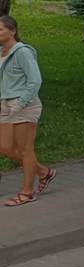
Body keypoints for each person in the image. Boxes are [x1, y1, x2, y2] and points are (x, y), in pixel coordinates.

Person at [0, 15, 55, 205]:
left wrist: (21, 102)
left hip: (24, 104)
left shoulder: (22, 52)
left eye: (0, 30)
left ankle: (27, 192)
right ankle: (43, 172)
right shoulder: (1, 52)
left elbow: (35, 81)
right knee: (4, 147)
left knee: (25, 150)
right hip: (6, 104)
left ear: (12, 31)